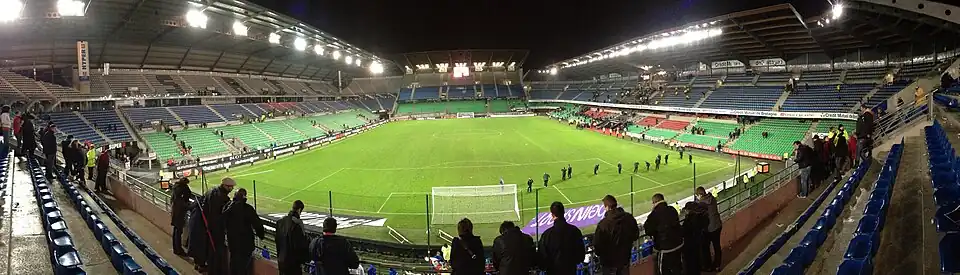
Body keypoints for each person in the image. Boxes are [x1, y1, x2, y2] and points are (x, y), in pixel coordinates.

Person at [223, 188, 265, 275]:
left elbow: (222, 221)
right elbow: (257, 224)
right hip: (246, 244)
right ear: (244, 197)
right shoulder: (247, 209)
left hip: (232, 242)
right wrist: (261, 235)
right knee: (243, 266)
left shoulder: (227, 207)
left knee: (234, 263)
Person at [595, 195, 639, 275]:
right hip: (624, 259)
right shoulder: (629, 218)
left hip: (609, 263)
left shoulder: (603, 224)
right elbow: (635, 235)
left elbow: (597, 246)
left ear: (607, 207)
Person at [538, 202, 585, 275]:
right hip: (570, 270)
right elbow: (581, 255)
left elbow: (542, 259)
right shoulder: (575, 231)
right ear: (563, 212)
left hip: (553, 271)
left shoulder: (546, 235)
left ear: (552, 215)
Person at [643, 194, 683, 275]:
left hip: (665, 247)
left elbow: (648, 230)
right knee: (677, 268)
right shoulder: (672, 209)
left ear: (654, 202)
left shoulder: (654, 214)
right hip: (678, 243)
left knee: (663, 270)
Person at [201, 178, 234, 274]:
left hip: (209, 226)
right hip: (216, 229)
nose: (231, 189)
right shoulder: (222, 198)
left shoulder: (211, 191)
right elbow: (221, 215)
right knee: (216, 251)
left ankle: (212, 269)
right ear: (225, 186)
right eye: (230, 187)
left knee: (211, 250)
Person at [277, 200, 310, 275]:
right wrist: (304, 259)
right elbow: (300, 244)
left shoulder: (281, 222)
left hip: (281, 260)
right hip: (293, 263)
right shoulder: (297, 224)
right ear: (299, 210)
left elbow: (277, 240)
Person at [696, 187, 722, 271]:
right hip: (717, 225)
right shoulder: (712, 198)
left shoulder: (701, 204)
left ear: (699, 195)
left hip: (709, 228)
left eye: (697, 196)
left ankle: (708, 266)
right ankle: (717, 265)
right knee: (716, 246)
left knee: (705, 247)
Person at [680, 202, 707, 275]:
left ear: (690, 210)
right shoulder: (700, 216)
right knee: (696, 260)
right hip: (697, 242)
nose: (685, 211)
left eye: (686, 210)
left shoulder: (691, 219)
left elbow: (685, 231)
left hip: (690, 244)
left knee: (690, 263)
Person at [170, 178, 191, 256]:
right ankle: (178, 250)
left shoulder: (176, 188)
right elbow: (182, 203)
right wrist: (190, 206)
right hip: (179, 213)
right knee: (178, 232)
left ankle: (176, 249)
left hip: (176, 212)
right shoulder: (180, 190)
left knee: (176, 231)